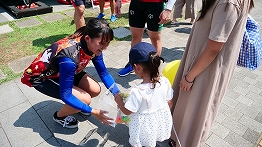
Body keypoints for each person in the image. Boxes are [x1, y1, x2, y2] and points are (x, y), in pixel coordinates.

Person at [169, 0, 254, 146]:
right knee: (195, 106)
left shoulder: (228, 4)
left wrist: (190, 76)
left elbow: (214, 47)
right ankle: (180, 138)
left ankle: (185, 141)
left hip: (206, 67)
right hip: (204, 62)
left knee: (195, 106)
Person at [21, 18, 121, 128]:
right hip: (44, 78)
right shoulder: (69, 58)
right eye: (102, 43)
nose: (105, 47)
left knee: (95, 89)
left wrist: (117, 94)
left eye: (108, 43)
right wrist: (93, 111)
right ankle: (59, 116)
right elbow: (66, 95)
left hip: (64, 72)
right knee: (85, 99)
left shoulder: (93, 46)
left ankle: (78, 106)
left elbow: (104, 73)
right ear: (88, 38)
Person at [114, 42, 173, 147]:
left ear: (137, 67)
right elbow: (170, 102)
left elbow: (127, 112)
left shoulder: (137, 92)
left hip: (143, 127)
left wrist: (119, 101)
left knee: (138, 142)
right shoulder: (165, 82)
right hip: (158, 122)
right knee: (152, 139)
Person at [118, 0, 176, 77]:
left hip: (155, 4)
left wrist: (168, 9)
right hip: (136, 3)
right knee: (135, 37)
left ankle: (154, 68)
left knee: (155, 39)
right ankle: (133, 64)